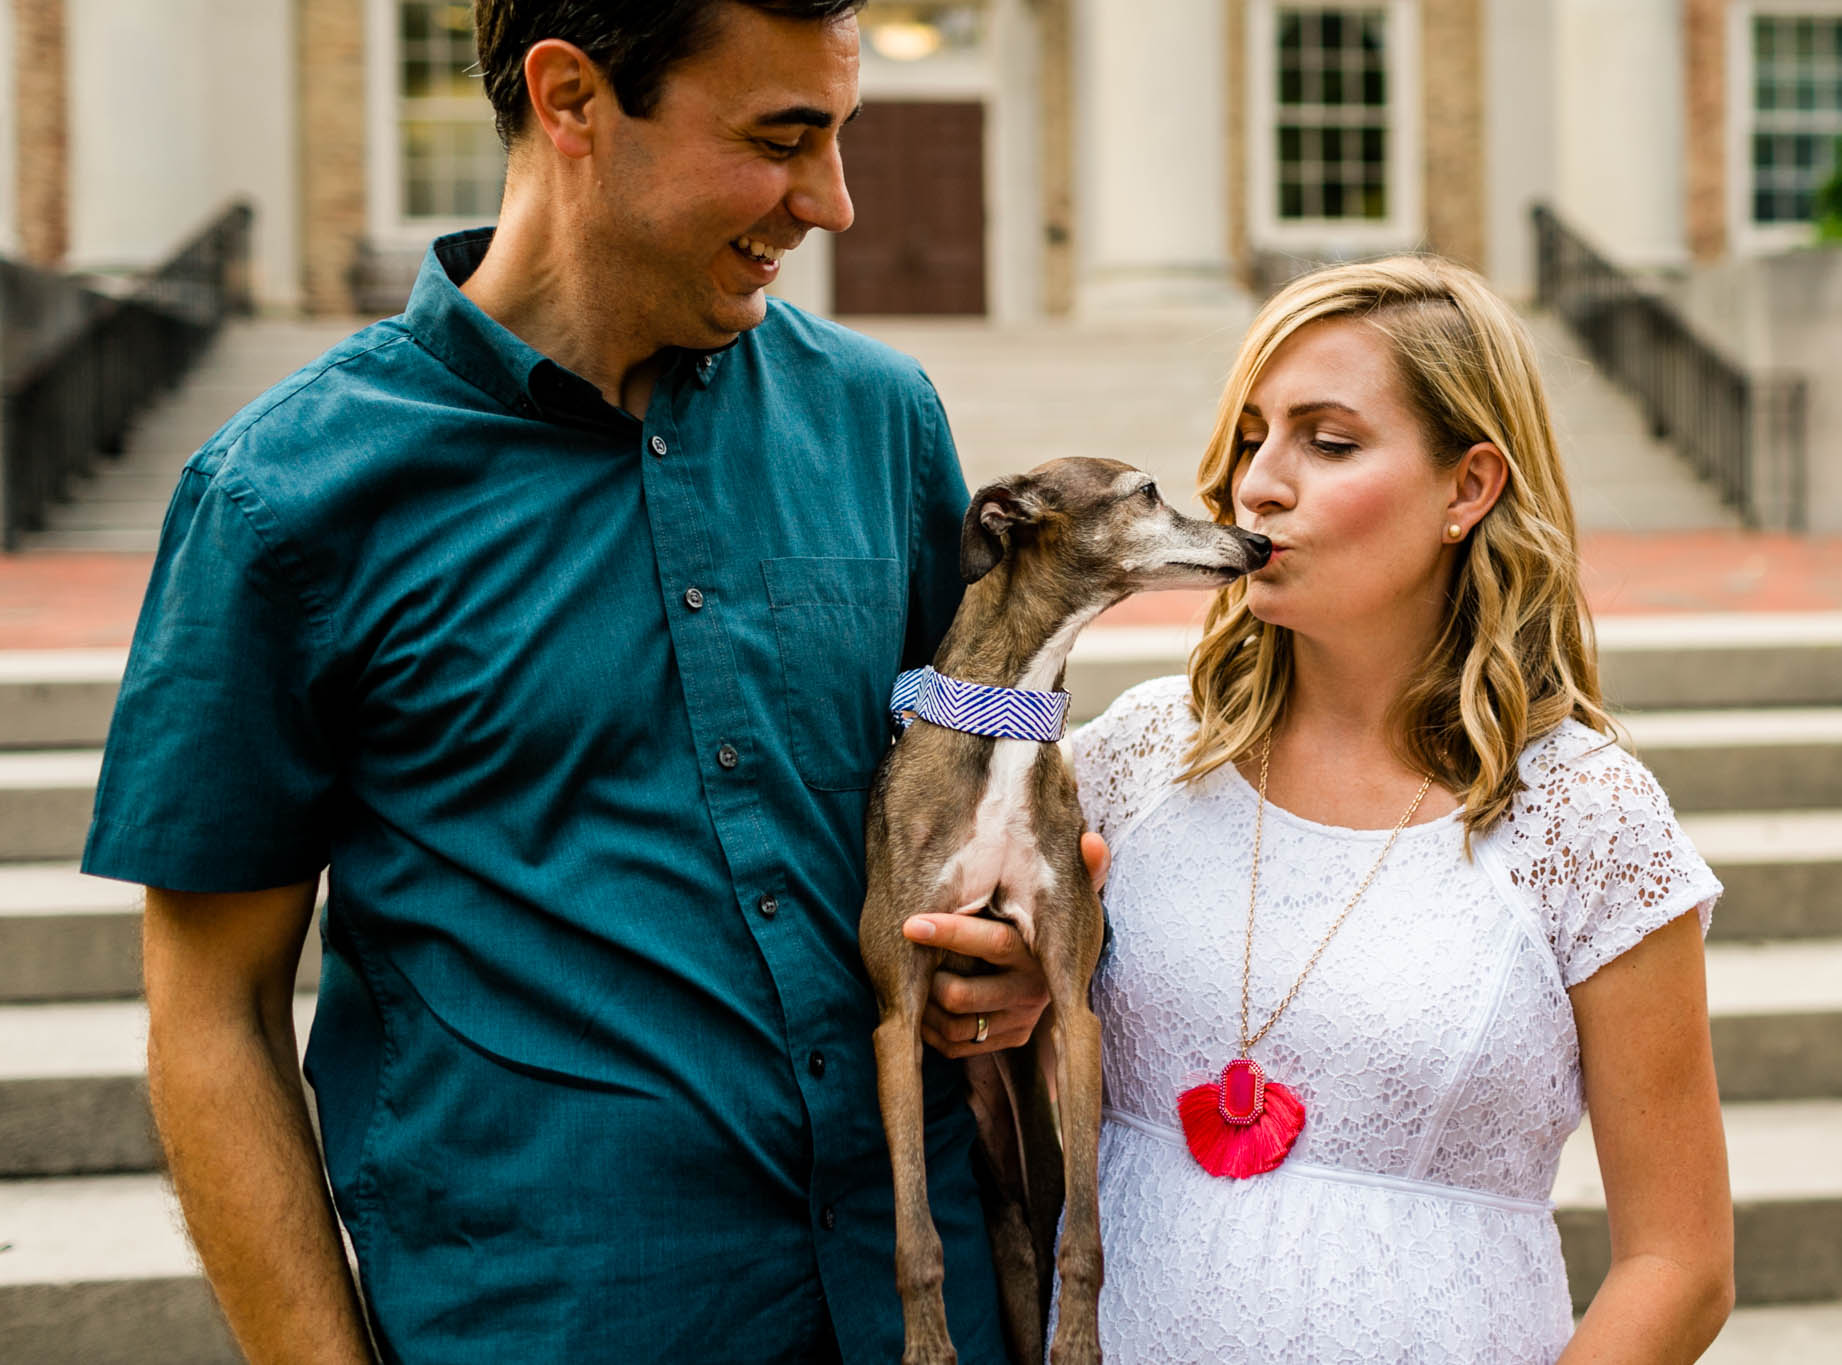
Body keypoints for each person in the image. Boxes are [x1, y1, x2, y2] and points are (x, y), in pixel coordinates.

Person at [82, 3, 1072, 1360]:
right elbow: (210, 1015)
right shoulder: (282, 502)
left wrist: (1013, 966)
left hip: (921, 1311)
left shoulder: (881, 421)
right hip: (556, 1320)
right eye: (782, 140)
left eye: (841, 137)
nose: (835, 203)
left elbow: (977, 811)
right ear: (572, 100)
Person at [1035, 256, 1734, 1361]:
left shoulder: (1584, 817)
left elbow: (1678, 1265)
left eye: (1327, 441)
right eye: (1251, 436)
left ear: (1468, 487)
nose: (1257, 484)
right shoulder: (1132, 759)